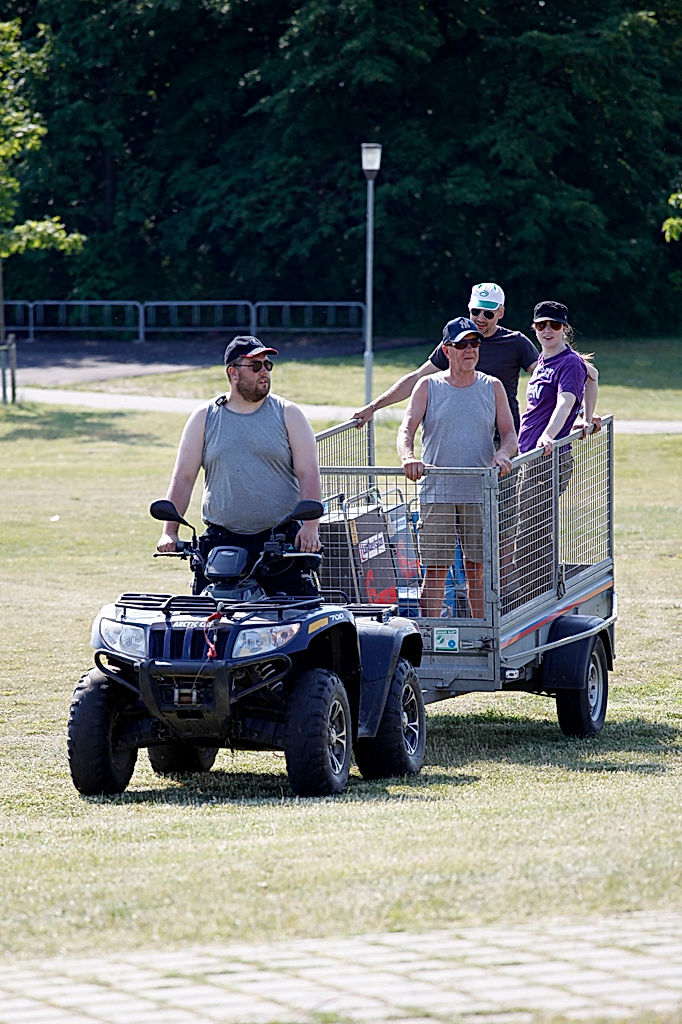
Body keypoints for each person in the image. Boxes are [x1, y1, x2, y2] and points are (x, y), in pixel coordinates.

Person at [156, 335, 322, 595]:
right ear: (233, 372)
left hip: (280, 543)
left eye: (268, 365)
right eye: (255, 366)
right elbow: (184, 478)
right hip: (221, 544)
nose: (264, 372)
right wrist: (170, 532)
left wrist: (311, 527)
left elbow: (308, 472)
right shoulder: (204, 417)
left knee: (291, 627)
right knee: (210, 627)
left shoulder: (288, 414)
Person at [397, 317, 517, 618]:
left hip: (480, 493)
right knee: (436, 571)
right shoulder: (428, 386)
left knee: (476, 570)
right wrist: (408, 457)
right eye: (461, 344)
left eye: (474, 343)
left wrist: (503, 455)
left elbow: (510, 435)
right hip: (437, 493)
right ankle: (429, 640)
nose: (469, 350)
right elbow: (406, 429)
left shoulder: (493, 386)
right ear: (446, 350)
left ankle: (481, 639)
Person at [354, 282, 539, 433]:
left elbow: (543, 378)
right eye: (476, 311)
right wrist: (373, 407)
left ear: (501, 313)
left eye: (488, 313)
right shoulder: (456, 340)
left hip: (502, 439)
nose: (481, 318)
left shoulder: (516, 342)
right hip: (460, 437)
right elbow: (417, 377)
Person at [514, 301, 597, 603]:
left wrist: (550, 435)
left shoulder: (568, 363)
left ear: (565, 328)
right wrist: (587, 416)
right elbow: (594, 374)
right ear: (534, 328)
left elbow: (564, 401)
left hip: (547, 461)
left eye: (554, 325)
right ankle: (543, 595)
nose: (547, 331)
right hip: (530, 460)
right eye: (541, 325)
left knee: (527, 539)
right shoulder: (546, 359)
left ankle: (538, 600)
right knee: (533, 534)